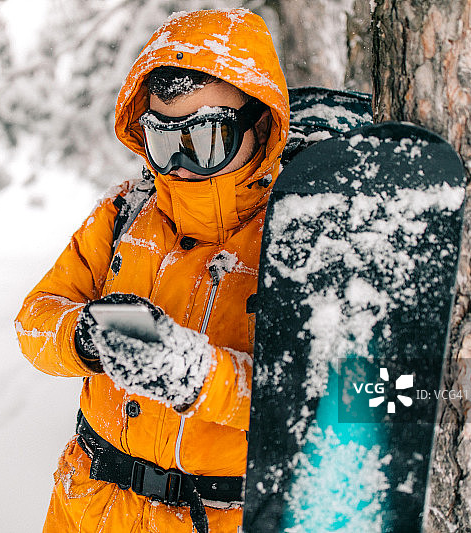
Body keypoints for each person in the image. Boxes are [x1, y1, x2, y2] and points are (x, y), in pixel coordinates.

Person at [15, 8, 289, 533]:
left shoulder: (295, 236)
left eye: (206, 139)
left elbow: (328, 402)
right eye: (163, 141)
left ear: (261, 122)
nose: (180, 164)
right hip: (87, 508)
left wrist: (201, 376)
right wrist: (86, 336)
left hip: (218, 519)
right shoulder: (124, 214)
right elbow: (33, 321)